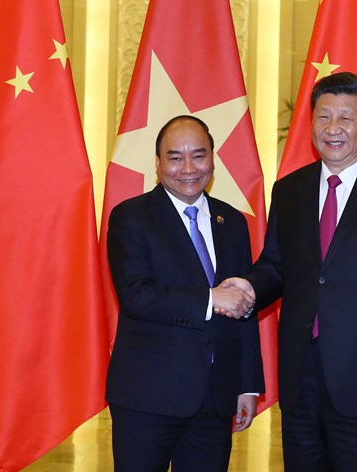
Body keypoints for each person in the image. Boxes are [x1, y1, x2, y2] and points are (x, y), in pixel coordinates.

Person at [226, 72, 357, 471]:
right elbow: (277, 264)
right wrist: (248, 288)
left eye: (346, 117)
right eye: (323, 117)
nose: (333, 128)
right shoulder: (289, 191)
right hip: (300, 376)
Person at [105, 115, 265, 472]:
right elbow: (135, 294)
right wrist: (210, 299)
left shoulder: (233, 221)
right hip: (148, 396)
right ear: (158, 163)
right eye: (175, 157)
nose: (188, 168)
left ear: (213, 159)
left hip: (216, 398)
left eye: (199, 155)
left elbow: (243, 307)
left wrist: (248, 386)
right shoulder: (131, 217)